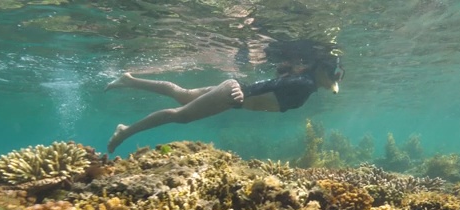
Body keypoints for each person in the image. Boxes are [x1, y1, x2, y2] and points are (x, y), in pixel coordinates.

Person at [104, 57, 345, 153]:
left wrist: (242, 91)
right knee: (181, 115)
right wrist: (244, 92)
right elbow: (271, 84)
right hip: (233, 94)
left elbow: (273, 86)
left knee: (181, 94)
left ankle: (130, 80)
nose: (335, 81)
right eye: (335, 74)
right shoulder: (304, 82)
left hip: (233, 93)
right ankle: (125, 131)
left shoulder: (307, 85)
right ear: (322, 69)